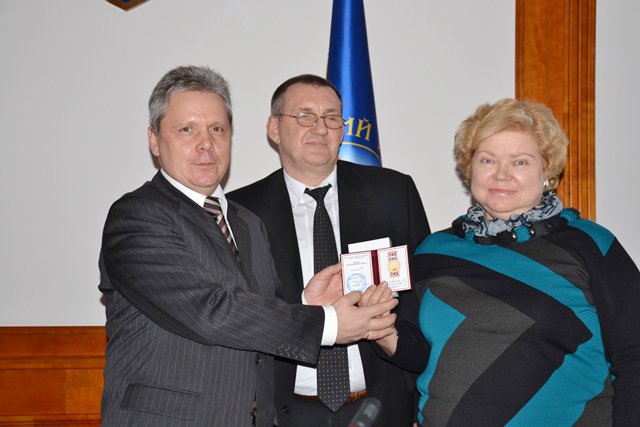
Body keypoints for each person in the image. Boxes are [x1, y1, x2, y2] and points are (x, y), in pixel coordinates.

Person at [98, 65, 400, 427]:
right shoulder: (137, 215)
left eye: (217, 129)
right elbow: (210, 311)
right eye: (187, 129)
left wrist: (308, 303)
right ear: (154, 140)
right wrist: (330, 323)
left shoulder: (245, 221)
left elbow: (258, 317)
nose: (206, 144)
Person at [368, 98, 640, 426]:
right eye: (487, 160)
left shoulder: (592, 244)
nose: (501, 174)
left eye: (520, 162)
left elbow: (633, 357)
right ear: (470, 168)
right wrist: (383, 332)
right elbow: (423, 354)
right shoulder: (433, 251)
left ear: (547, 171)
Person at [227, 74, 430, 427]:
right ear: (274, 129)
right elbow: (237, 314)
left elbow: (425, 302)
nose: (320, 128)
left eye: (332, 117)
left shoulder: (394, 194)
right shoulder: (240, 211)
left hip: (381, 409)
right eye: (304, 116)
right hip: (283, 412)